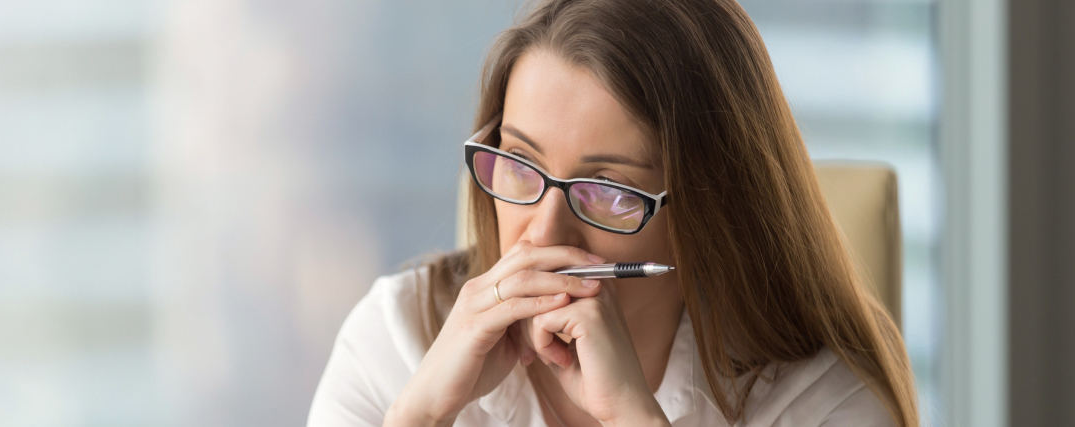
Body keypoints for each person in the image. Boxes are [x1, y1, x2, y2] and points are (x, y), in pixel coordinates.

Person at [308, 0, 919, 425]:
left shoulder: (819, 405)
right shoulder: (393, 342)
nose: (544, 232)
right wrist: (418, 417)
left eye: (606, 190)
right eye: (520, 161)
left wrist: (632, 417)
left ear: (709, 213)